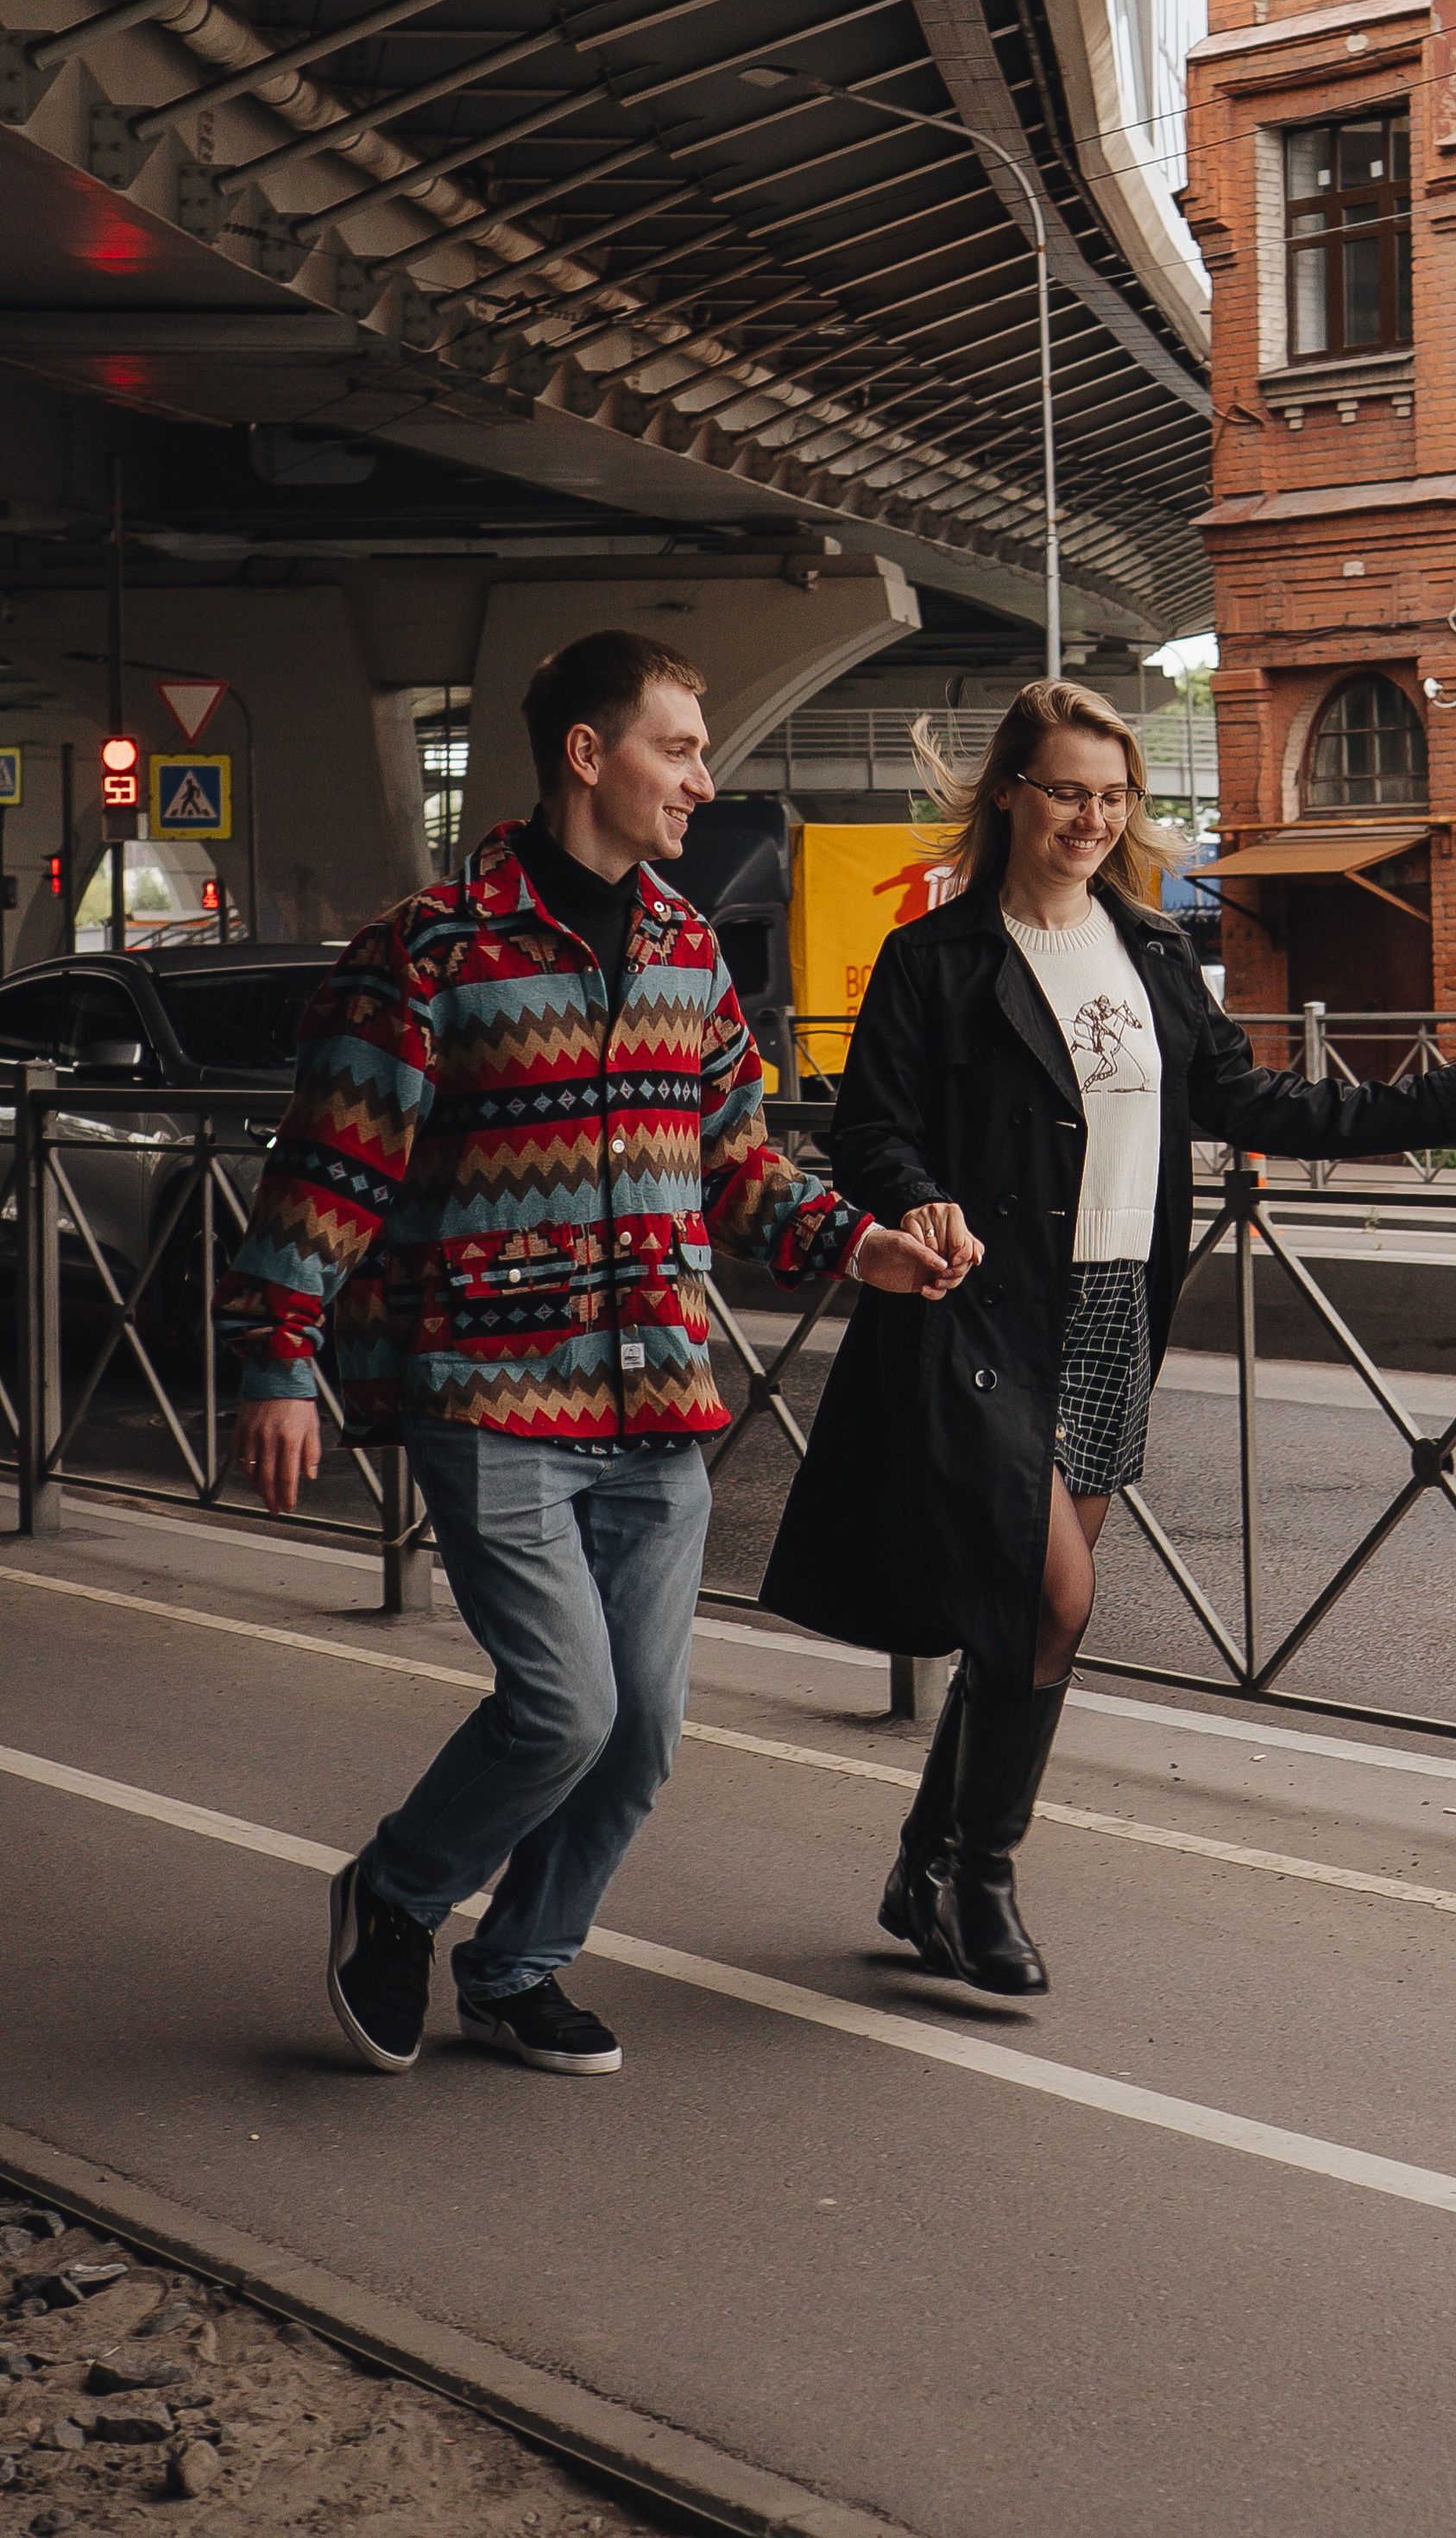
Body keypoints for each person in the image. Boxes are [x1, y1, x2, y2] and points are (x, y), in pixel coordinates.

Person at [216, 630, 949, 2080]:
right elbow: (329, 1170)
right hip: (491, 1390)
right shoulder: (431, 950)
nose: (702, 779)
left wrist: (858, 1243)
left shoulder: (688, 949)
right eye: (679, 749)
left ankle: (515, 1968)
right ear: (587, 754)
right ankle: (397, 1893)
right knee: (565, 1707)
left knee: (642, 1733)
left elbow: (737, 1164)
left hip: (659, 1398)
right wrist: (275, 1359)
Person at [760, 679, 1456, 1997]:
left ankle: (922, 1870)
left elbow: (1249, 1100)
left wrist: (1438, 1101)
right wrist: (916, 1195)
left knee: (1024, 1615)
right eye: (1067, 791)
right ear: (1010, 795)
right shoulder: (937, 959)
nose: (1093, 818)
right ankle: (983, 1879)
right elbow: (868, 1128)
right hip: (986, 1308)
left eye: (1114, 797)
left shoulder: (1154, 949)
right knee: (1055, 1598)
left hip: (1118, 1303)